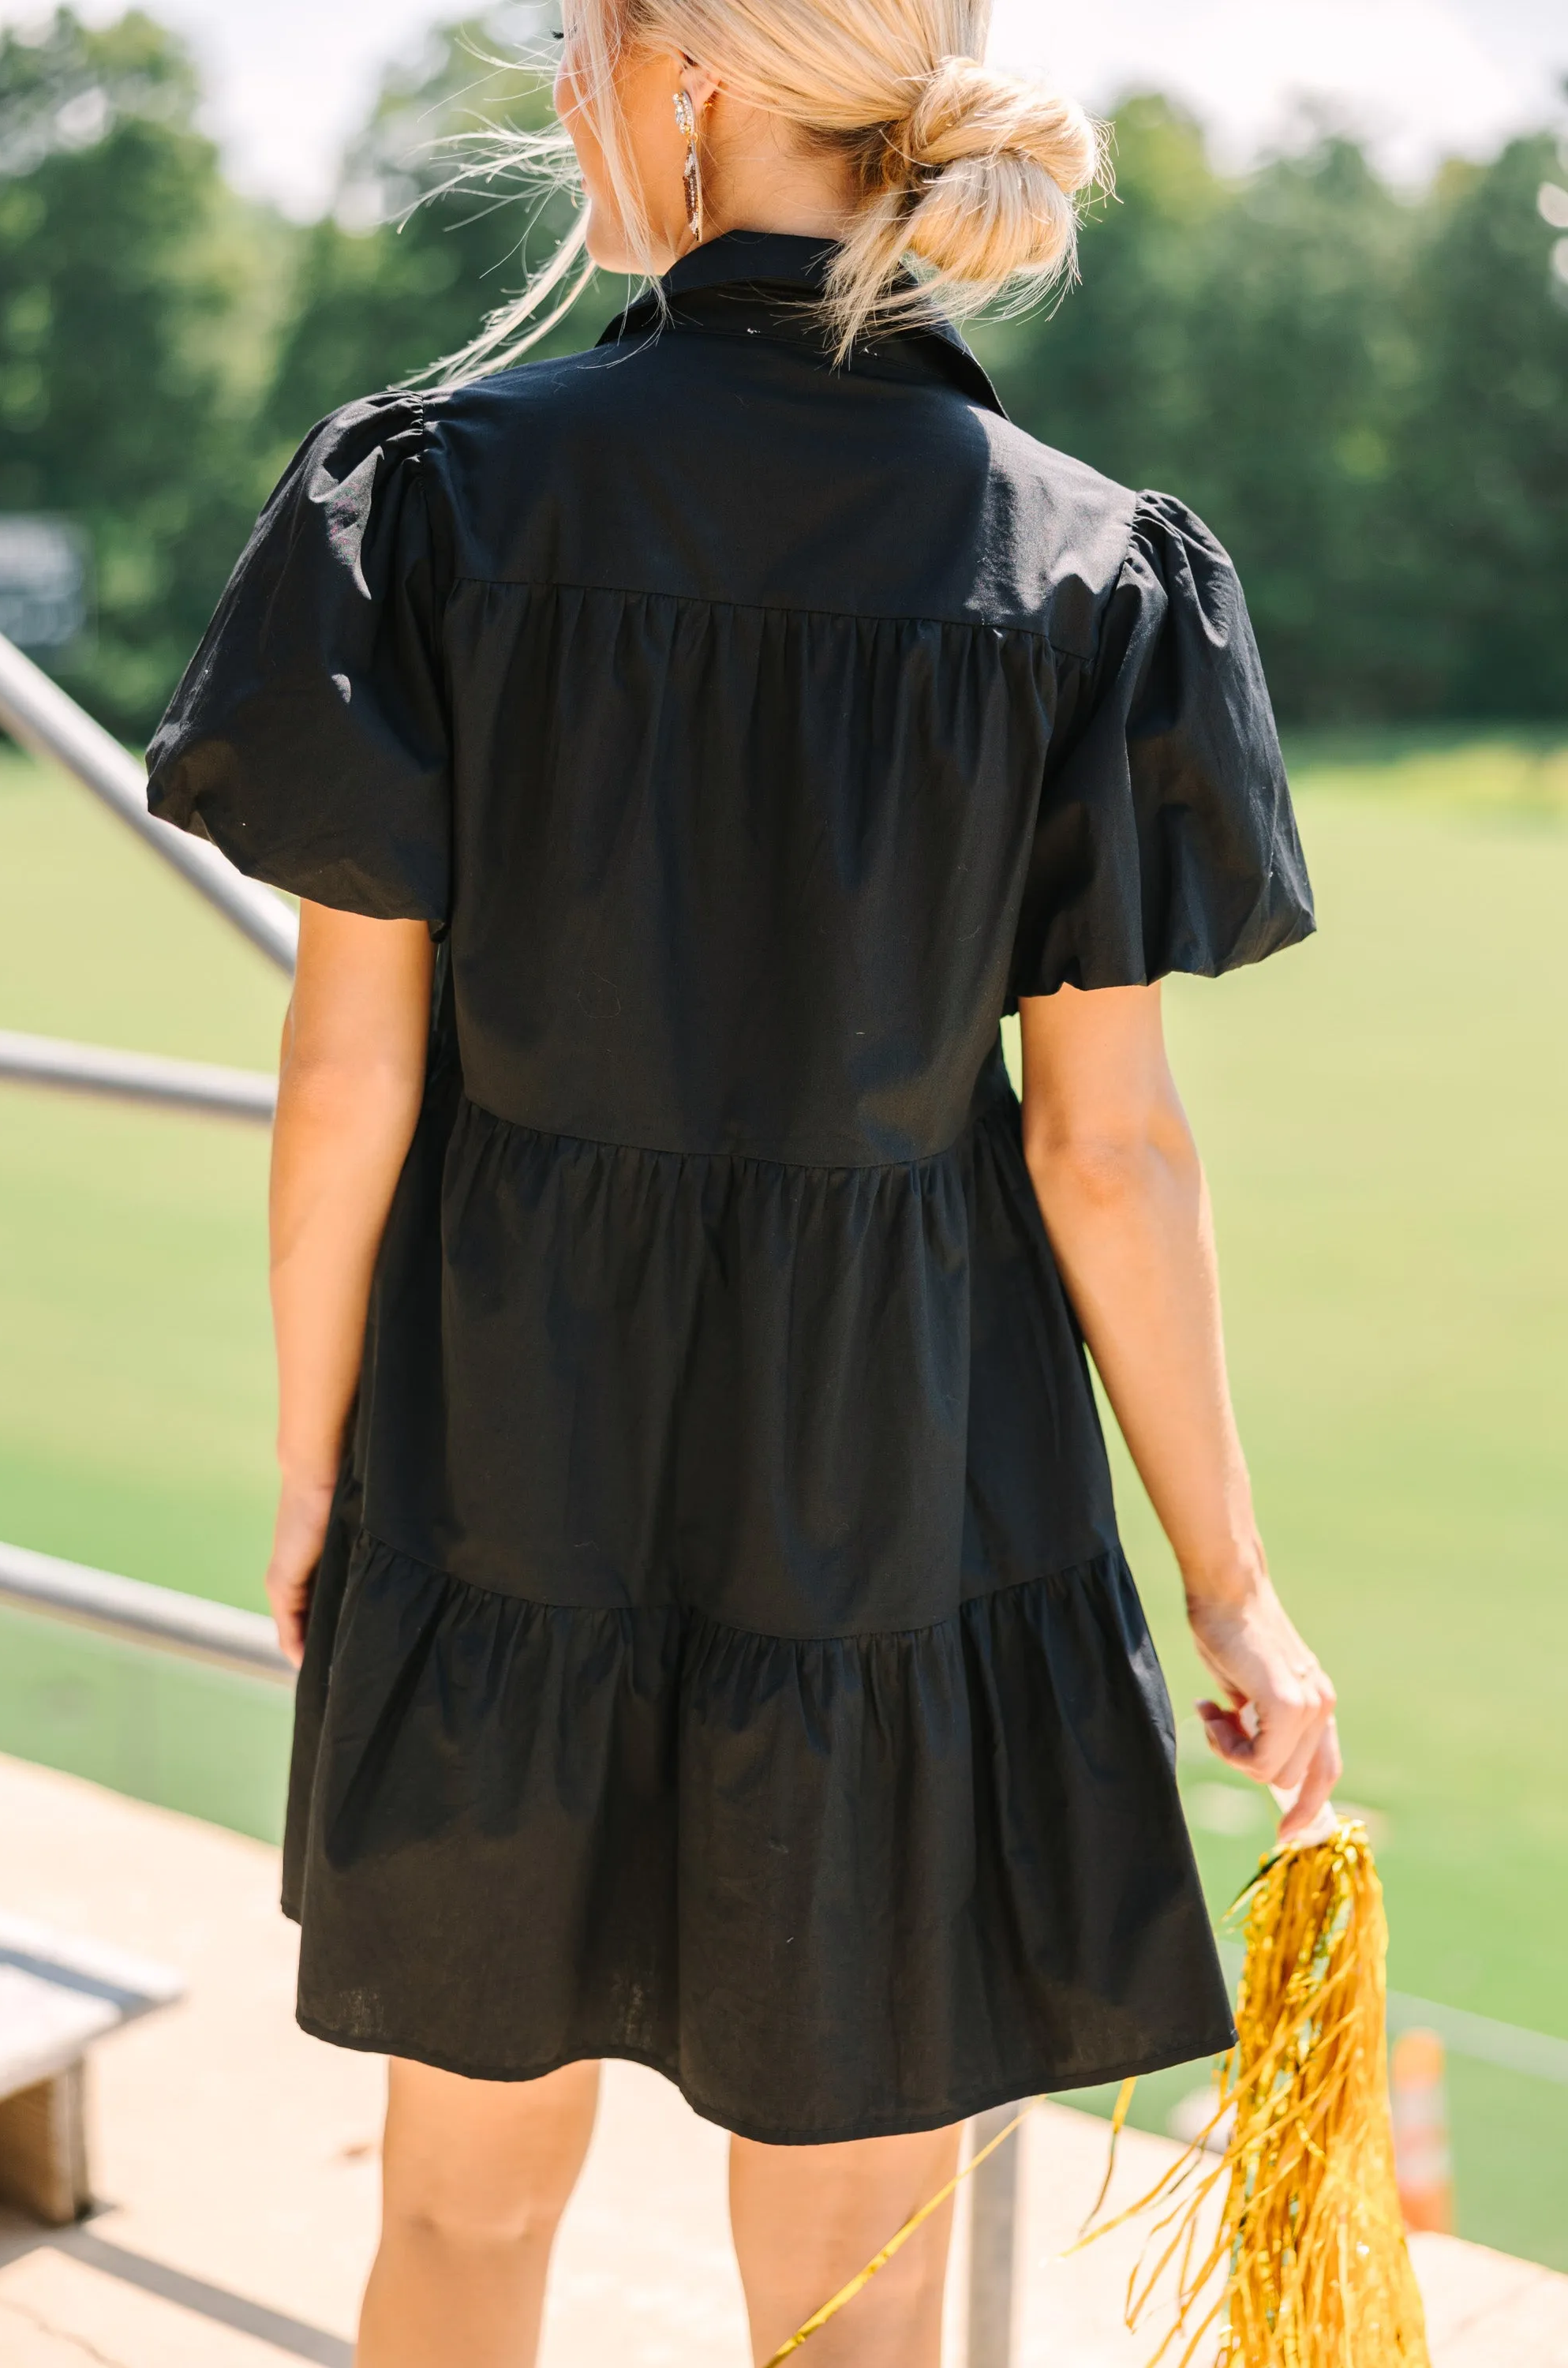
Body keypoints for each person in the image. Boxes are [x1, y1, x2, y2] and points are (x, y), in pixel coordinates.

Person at [148, 2, 1340, 2361]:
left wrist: (314, 1471)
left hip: (501, 1474)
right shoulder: (1095, 569)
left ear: (678, 71)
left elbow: (345, 1085)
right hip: (902, 1501)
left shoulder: (436, 495)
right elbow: (1112, 1156)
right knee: (851, 2303)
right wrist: (1234, 1589)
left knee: (464, 2229)